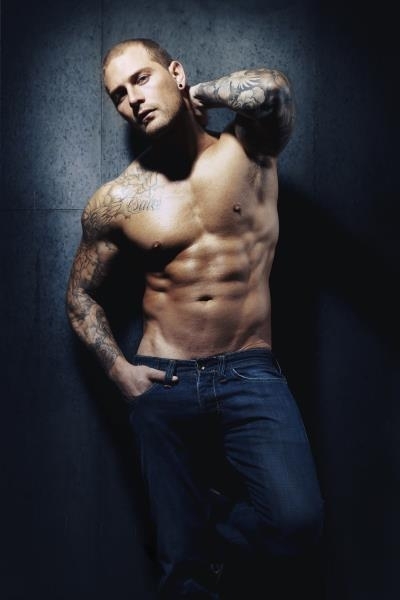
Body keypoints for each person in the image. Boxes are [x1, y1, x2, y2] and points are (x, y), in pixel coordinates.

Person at [66, 38, 324, 599]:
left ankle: (194, 519)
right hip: (164, 380)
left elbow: (275, 91)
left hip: (250, 373)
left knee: (297, 523)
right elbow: (80, 297)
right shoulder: (118, 200)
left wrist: (201, 95)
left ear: (176, 73)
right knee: (183, 575)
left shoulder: (249, 149)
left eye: (141, 79)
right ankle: (184, 541)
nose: (131, 99)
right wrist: (120, 372)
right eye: (117, 95)